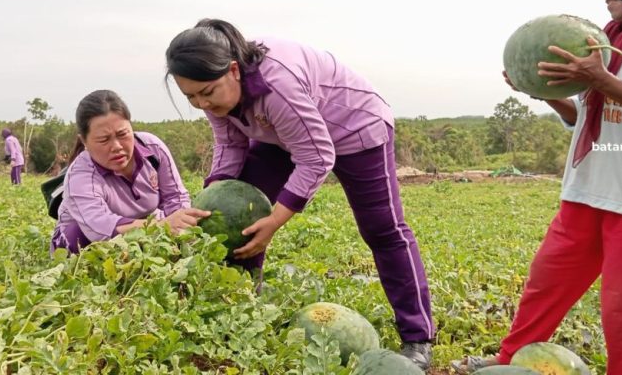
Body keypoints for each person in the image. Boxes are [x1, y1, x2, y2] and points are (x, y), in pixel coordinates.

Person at [165, 19, 434, 369]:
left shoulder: (277, 85)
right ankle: (240, 314)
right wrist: (215, 195)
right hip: (282, 135)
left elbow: (317, 156)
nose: (202, 104)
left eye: (208, 92)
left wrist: (276, 220)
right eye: (192, 97)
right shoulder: (217, 95)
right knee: (237, 213)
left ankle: (418, 337)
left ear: (233, 70)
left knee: (382, 230)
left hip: (356, 128)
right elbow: (230, 143)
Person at [452, 0, 622, 374]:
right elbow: (587, 114)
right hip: (585, 191)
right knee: (544, 285)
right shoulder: (608, 37)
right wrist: (540, 90)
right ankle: (510, 361)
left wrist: (603, 79)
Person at [49, 90, 210, 255]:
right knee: (76, 235)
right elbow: (100, 229)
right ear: (84, 141)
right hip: (92, 241)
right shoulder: (80, 175)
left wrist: (181, 227)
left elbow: (175, 196)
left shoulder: (152, 148)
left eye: (122, 134)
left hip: (146, 231)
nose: (117, 146)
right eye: (104, 140)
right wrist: (164, 226)